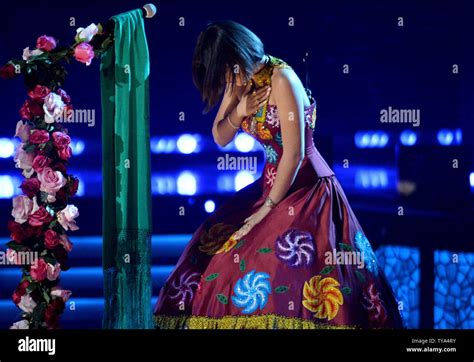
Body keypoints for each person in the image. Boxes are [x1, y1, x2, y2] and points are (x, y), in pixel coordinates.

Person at [153, 20, 405, 329]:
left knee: (288, 272)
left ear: (236, 59)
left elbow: (295, 155)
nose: (226, 83)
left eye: (225, 72)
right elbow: (220, 136)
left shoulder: (282, 79)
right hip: (269, 187)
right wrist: (239, 110)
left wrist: (266, 213)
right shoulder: (240, 80)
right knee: (213, 254)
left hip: (306, 189)